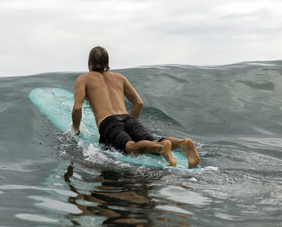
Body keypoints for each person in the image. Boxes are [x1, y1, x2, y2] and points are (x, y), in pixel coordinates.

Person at [72, 46, 200, 168]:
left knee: (130, 147)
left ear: (89, 62)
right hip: (129, 118)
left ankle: (161, 148)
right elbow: (138, 103)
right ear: (107, 62)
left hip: (108, 122)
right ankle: (182, 143)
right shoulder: (119, 77)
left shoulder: (84, 79)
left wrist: (76, 130)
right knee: (152, 141)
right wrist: (129, 125)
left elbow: (77, 108)